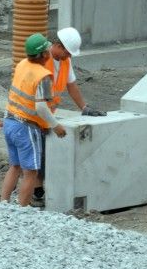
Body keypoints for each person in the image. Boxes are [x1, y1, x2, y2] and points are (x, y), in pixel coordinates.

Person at [32, 27, 106, 207]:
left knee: (45, 154)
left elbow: (71, 85)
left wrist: (84, 107)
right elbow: (36, 98)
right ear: (57, 46)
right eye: (67, 52)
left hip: (47, 114)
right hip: (34, 114)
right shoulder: (42, 60)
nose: (69, 56)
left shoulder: (64, 61)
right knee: (36, 156)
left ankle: (40, 190)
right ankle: (36, 193)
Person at [0, 33, 66, 206]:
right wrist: (56, 126)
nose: (49, 52)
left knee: (15, 167)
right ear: (43, 54)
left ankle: (4, 203)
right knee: (31, 172)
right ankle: (22, 210)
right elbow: (41, 107)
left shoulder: (22, 64)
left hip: (9, 121)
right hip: (26, 128)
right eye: (47, 50)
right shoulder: (43, 75)